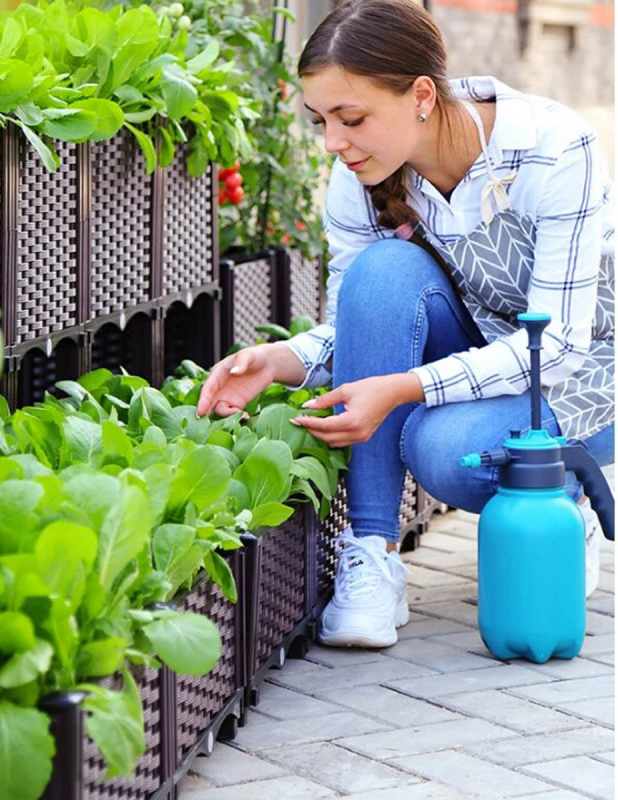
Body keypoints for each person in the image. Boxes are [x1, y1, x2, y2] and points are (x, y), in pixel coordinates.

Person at [196, 0, 615, 648]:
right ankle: (371, 552)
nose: (333, 142)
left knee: (442, 450)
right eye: (322, 121)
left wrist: (404, 390)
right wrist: (284, 360)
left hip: (585, 369)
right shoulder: (358, 178)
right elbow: (368, 323)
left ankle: (560, 495)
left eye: (352, 118)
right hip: (483, 354)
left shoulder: (555, 150)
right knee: (384, 270)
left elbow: (558, 345)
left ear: (422, 95)